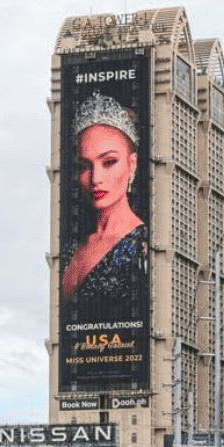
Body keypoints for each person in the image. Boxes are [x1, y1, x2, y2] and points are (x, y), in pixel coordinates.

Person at [61, 92, 147, 303]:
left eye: (108, 162)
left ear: (132, 164)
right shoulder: (69, 248)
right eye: (84, 166)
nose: (96, 178)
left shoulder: (145, 246)